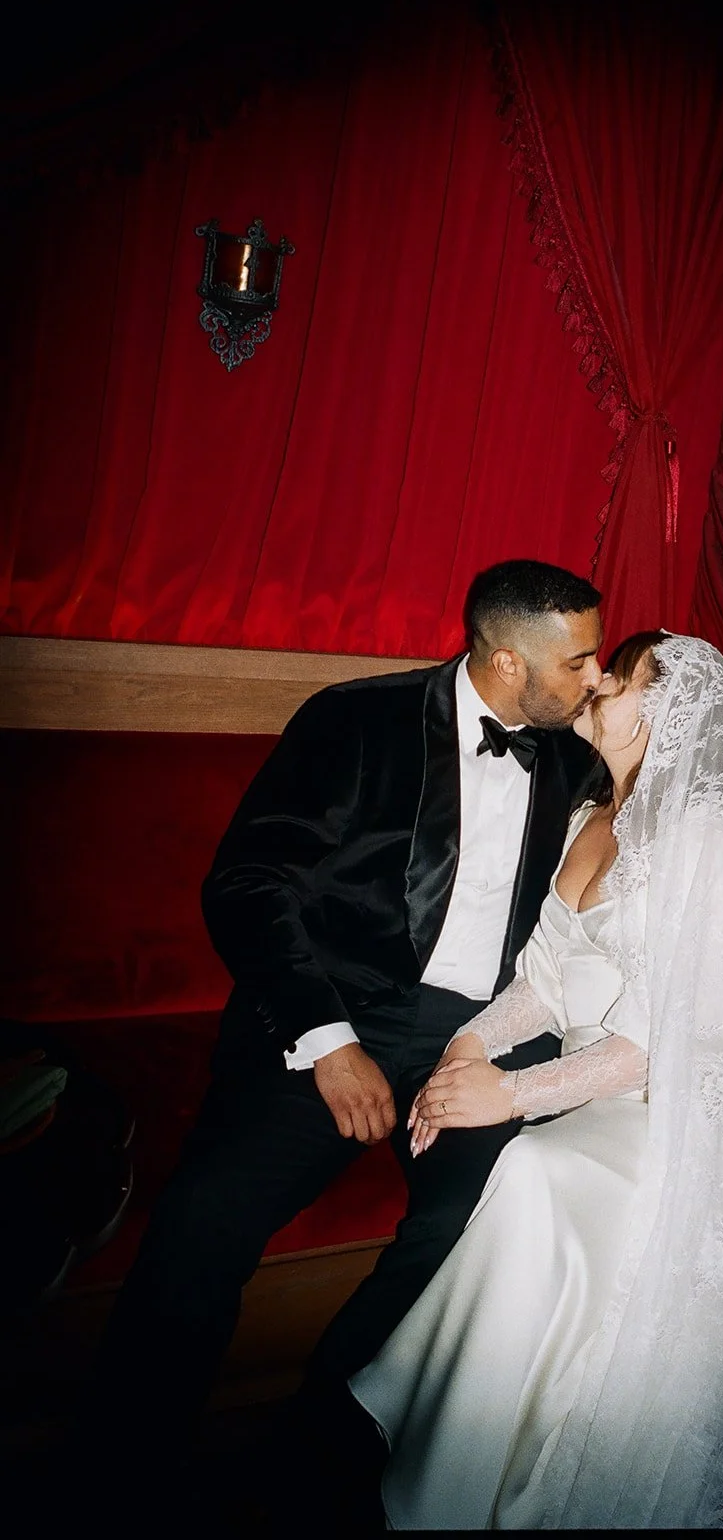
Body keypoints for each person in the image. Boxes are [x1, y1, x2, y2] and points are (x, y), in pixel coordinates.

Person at [77, 559, 607, 1505]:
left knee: (476, 1223)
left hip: (482, 1036)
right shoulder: (352, 721)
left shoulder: (575, 757)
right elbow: (246, 884)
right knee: (203, 1218)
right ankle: (122, 1476)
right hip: (337, 1014)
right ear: (503, 657)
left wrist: (492, 1051)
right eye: (577, 660)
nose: (594, 677)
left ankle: (322, 1445)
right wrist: (329, 1042)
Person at [351, 631, 723, 1529]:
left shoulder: (716, 839)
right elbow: (543, 978)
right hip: (603, 1083)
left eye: (618, 681)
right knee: (525, 1163)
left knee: (537, 1172)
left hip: (686, 1107)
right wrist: (465, 1049)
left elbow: (673, 1037)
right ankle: (459, 1462)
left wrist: (510, 1095)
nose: (597, 687)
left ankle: (495, 1482)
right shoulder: (593, 816)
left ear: (669, 712)